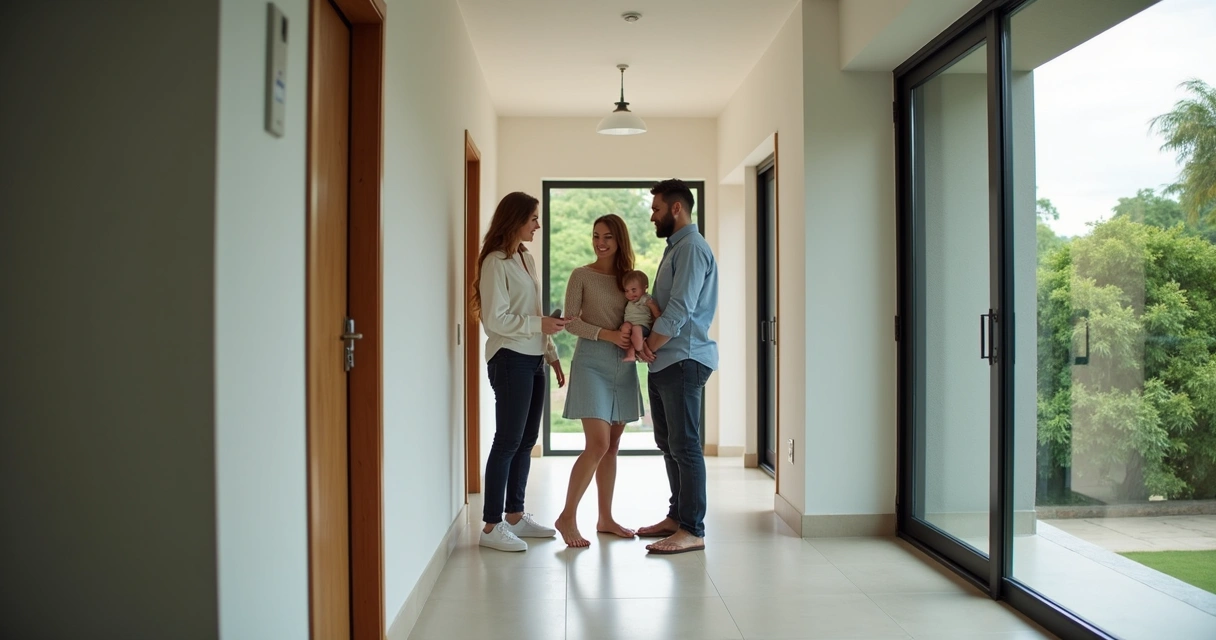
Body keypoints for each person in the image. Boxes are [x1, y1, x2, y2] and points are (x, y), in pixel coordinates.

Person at [471, 191, 567, 552]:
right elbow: (495, 320)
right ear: (516, 221)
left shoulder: (525, 257)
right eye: (533, 220)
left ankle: (514, 514)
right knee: (508, 441)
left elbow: (537, 312)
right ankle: (491, 526)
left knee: (526, 441)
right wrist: (538, 324)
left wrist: (552, 355)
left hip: (534, 358)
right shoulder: (495, 262)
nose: (538, 226)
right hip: (509, 358)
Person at [636, 179, 719, 555]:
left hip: (683, 358)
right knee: (668, 444)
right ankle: (676, 518)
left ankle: (693, 529)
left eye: (655, 209)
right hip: (666, 361)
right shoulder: (676, 249)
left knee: (685, 446)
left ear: (675, 209)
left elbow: (681, 309)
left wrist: (649, 345)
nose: (652, 216)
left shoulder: (691, 249)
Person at [553, 214, 643, 547]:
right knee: (598, 444)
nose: (600, 242)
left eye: (607, 237)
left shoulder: (627, 279)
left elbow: (639, 313)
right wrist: (607, 334)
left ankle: (605, 518)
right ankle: (567, 516)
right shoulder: (581, 275)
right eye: (595, 236)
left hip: (623, 366)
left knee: (613, 447)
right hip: (591, 363)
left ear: (620, 240)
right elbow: (571, 323)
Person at [619, 269, 662, 362]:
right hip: (631, 326)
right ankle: (631, 354)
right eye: (627, 291)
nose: (630, 294)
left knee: (636, 329)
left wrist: (652, 307)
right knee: (625, 327)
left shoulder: (645, 299)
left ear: (644, 288)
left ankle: (639, 347)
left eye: (633, 290)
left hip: (643, 328)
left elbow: (657, 313)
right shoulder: (630, 301)